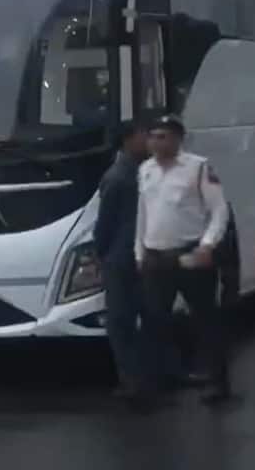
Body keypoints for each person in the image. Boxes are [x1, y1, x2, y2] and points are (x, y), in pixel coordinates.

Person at [134, 115, 234, 406]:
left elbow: (219, 211)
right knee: (153, 323)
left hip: (190, 253)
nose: (156, 142)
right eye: (153, 136)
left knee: (205, 321)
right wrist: (139, 254)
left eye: (163, 136)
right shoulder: (146, 170)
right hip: (156, 257)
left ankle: (217, 381)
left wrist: (207, 245)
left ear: (178, 139)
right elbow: (143, 214)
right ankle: (151, 385)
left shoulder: (198, 168)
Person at [93, 120, 152, 409]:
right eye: (144, 135)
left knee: (134, 320)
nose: (149, 140)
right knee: (122, 321)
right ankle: (135, 381)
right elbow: (105, 224)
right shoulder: (119, 177)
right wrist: (102, 254)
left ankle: (138, 380)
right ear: (128, 140)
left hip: (131, 257)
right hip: (123, 259)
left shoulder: (138, 172)